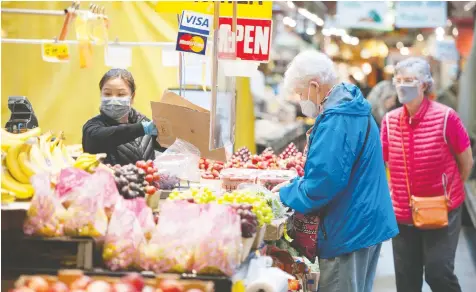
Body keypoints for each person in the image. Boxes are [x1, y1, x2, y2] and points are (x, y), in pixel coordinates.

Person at [272, 50, 398, 292]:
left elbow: (323, 184)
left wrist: (285, 193)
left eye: (300, 93)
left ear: (314, 85)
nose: (300, 100)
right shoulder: (350, 107)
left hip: (348, 228)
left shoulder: (338, 119)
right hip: (363, 220)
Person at [381, 57, 474, 292]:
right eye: (398, 80)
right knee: (406, 279)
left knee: (438, 273)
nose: (402, 86)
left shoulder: (446, 117)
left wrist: (450, 190)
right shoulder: (390, 122)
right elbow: (383, 163)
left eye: (409, 81)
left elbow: (466, 161)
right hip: (402, 212)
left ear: (424, 84)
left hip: (441, 210)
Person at [82, 68, 164, 166]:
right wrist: (142, 129)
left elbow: (165, 148)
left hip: (147, 180)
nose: (113, 99)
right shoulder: (93, 127)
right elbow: (101, 137)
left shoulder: (144, 122)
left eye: (121, 94)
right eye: (107, 94)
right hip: (111, 180)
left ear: (132, 97)